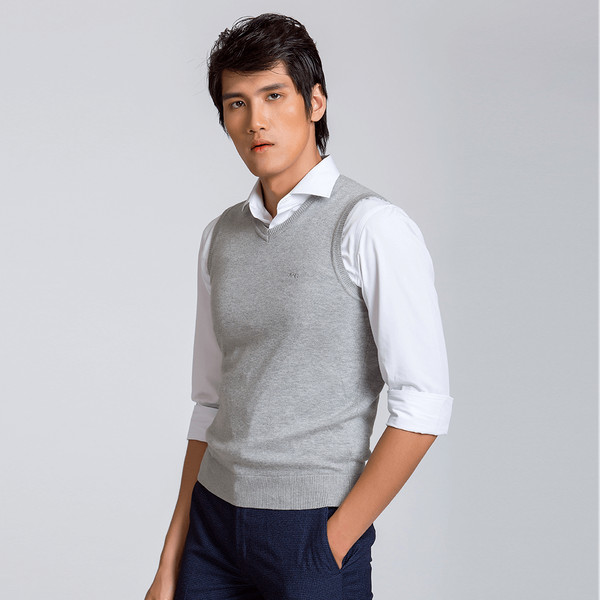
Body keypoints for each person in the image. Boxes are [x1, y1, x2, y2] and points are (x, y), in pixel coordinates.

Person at [145, 12, 454, 600]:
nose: (255, 121)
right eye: (236, 104)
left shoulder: (370, 226)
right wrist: (170, 561)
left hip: (311, 532)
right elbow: (210, 403)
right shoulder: (220, 237)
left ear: (315, 102)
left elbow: (424, 405)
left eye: (273, 95)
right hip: (211, 528)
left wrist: (332, 545)